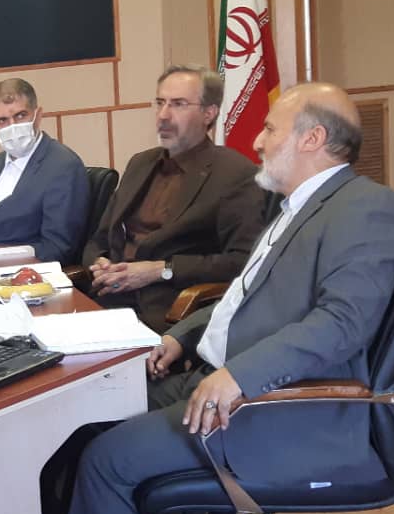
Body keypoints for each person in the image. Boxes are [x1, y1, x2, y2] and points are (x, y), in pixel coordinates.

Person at [15, 82, 394, 514]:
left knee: (107, 457)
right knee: (85, 416)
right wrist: (184, 336)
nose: (258, 142)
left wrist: (238, 374)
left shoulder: (366, 209)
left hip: (282, 410)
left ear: (313, 138)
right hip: (217, 379)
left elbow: (343, 324)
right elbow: (243, 298)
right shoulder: (295, 206)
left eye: (271, 130)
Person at [84, 65, 266, 333]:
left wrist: (161, 270)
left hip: (165, 312)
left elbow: (242, 261)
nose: (163, 116)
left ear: (209, 113)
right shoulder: (140, 163)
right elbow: (98, 239)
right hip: (104, 299)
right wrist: (99, 264)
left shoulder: (234, 174)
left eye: (178, 104)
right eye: (160, 103)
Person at [0, 78, 90, 264]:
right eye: (2, 120)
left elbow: (57, 247)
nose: (12, 126)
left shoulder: (64, 166)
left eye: (20, 116)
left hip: (21, 272)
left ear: (37, 116)